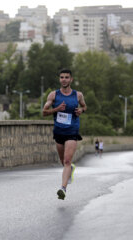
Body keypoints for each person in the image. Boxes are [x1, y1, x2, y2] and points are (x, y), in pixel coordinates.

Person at [42, 69, 87, 200]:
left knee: (67, 160)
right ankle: (70, 169)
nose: (64, 79)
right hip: (59, 131)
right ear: (59, 79)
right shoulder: (53, 95)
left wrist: (81, 111)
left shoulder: (78, 95)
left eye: (67, 77)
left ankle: (63, 188)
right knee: (63, 161)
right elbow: (44, 112)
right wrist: (56, 109)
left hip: (72, 131)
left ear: (71, 79)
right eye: (62, 77)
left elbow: (84, 106)